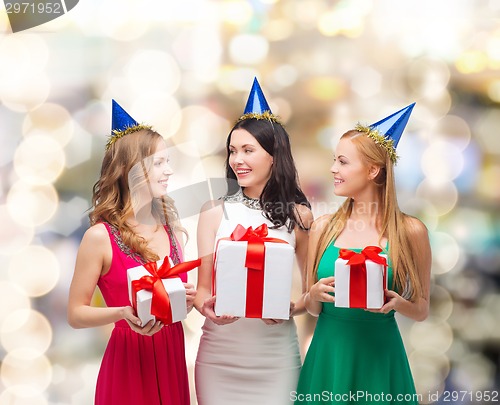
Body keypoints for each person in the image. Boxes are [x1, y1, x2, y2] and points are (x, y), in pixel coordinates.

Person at [295, 103, 431, 405]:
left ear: (373, 170)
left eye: (343, 162)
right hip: (329, 355)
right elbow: (313, 309)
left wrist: (399, 304)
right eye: (334, 160)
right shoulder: (322, 228)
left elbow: (422, 309)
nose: (333, 169)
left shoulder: (411, 231)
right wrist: (314, 296)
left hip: (380, 358)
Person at [67, 100, 197, 405]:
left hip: (171, 355)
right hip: (128, 362)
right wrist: (122, 314)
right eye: (160, 163)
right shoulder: (99, 237)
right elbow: (75, 313)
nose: (170, 170)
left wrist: (185, 302)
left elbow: (171, 305)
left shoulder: (171, 228)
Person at [194, 78, 313, 405]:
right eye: (233, 151)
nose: (237, 160)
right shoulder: (214, 212)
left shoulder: (299, 216)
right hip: (219, 357)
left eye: (248, 150)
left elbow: (312, 296)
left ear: (274, 155)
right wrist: (205, 305)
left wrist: (292, 308)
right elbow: (203, 289)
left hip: (276, 357)